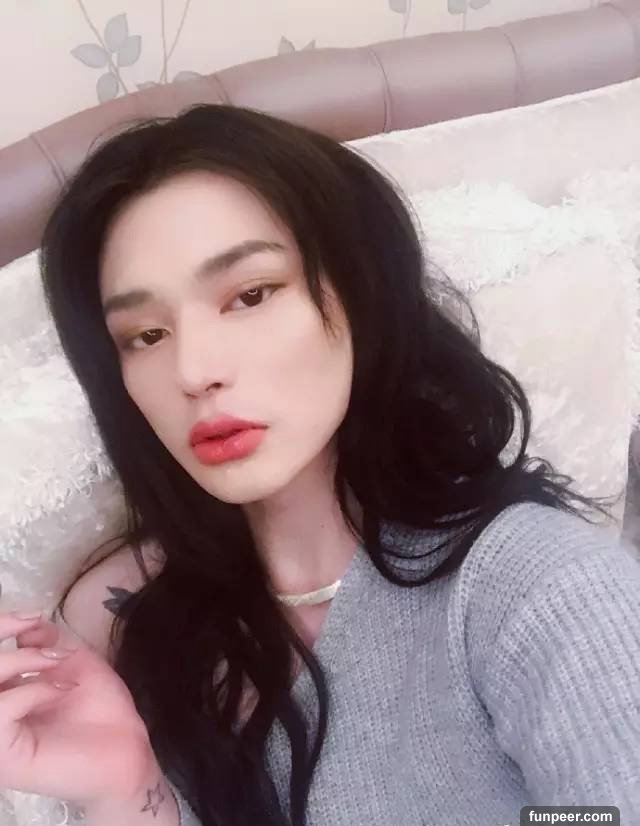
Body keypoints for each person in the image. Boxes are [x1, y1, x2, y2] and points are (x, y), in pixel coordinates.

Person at [1, 103, 639, 826]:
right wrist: (122, 791)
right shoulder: (132, 627)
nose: (193, 370)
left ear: (361, 294)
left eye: (250, 295)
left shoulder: (544, 592)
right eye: (146, 335)